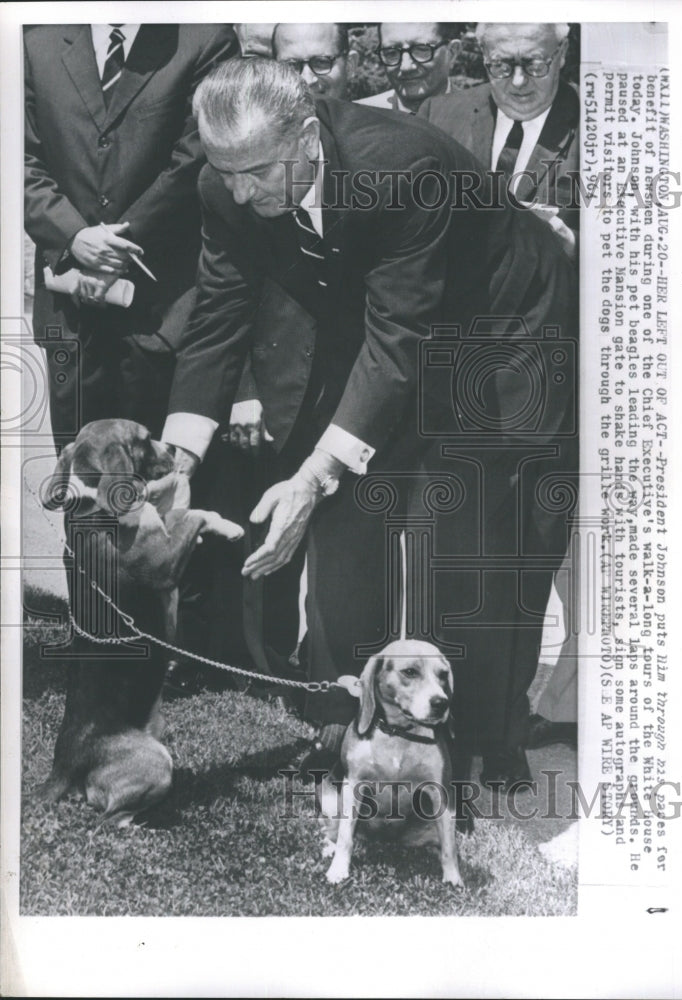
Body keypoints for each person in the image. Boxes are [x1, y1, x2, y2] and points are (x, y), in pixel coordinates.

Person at [161, 57, 575, 787]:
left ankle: (481, 744)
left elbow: (398, 343)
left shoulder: (400, 165)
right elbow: (219, 318)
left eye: (255, 172)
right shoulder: (225, 182)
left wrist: (314, 473)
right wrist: (179, 458)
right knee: (345, 537)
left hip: (500, 337)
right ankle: (345, 732)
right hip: (392, 330)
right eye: (224, 171)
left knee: (470, 550)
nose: (238, 191)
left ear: (309, 136)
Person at [24, 23, 237, 449]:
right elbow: (18, 157)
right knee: (85, 491)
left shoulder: (206, 40)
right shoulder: (36, 44)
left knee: (158, 490)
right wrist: (74, 237)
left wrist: (117, 242)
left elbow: (196, 154)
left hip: (160, 313)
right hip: (72, 318)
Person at [417, 22, 579, 247]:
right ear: (484, 55)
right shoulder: (437, 116)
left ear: (562, 53)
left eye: (535, 64)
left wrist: (569, 243)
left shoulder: (599, 124)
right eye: (501, 65)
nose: (518, 81)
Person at [358, 22, 461, 113]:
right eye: (392, 53)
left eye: (421, 50)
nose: (405, 67)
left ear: (452, 52)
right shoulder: (361, 118)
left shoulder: (475, 121)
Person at [272, 23, 357, 101]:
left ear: (350, 66)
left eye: (321, 62)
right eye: (292, 66)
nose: (307, 80)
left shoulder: (369, 117)